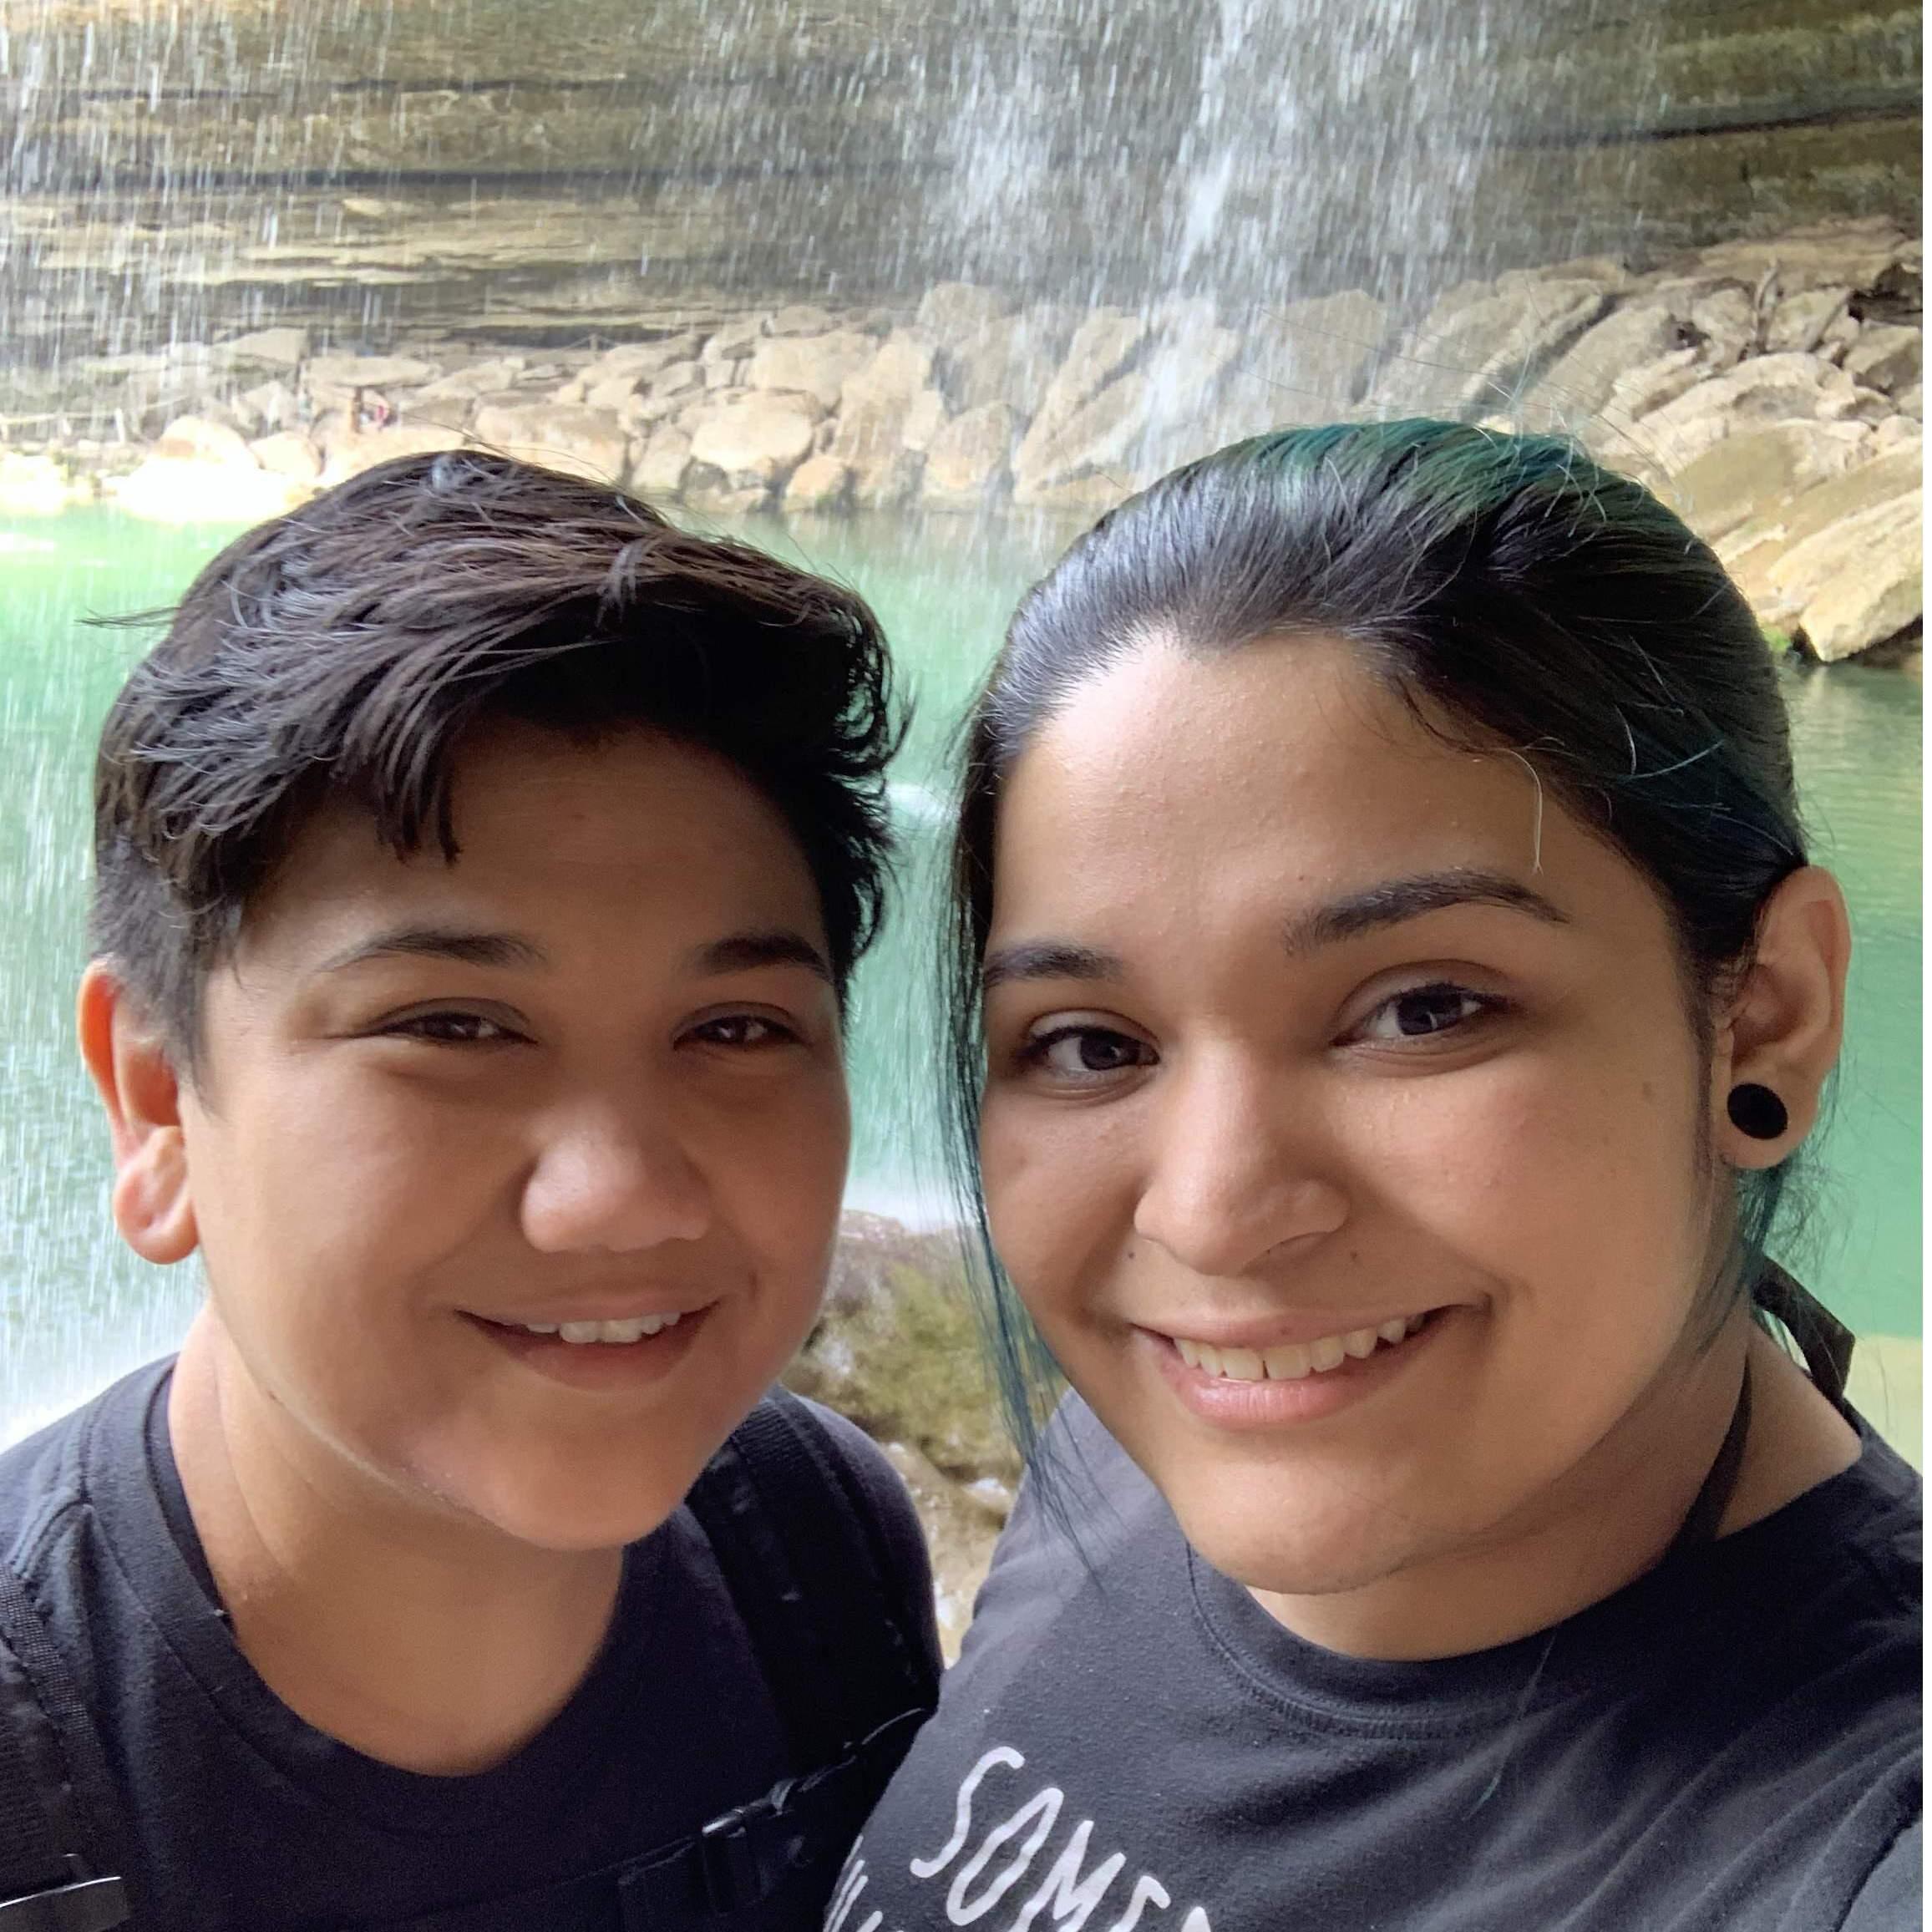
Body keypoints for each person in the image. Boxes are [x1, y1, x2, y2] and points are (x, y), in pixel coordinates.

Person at [844, 423, 1919, 1932]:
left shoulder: (1865, 1838)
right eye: (1089, 1042)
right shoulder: (1130, 1449)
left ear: (1765, 1011)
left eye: (1421, 1008)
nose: (1209, 1214)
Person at [0, 451, 940, 1929]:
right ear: (158, 1100)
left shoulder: (814, 1552)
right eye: (452, 1027)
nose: (620, 1198)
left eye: (736, 1029)